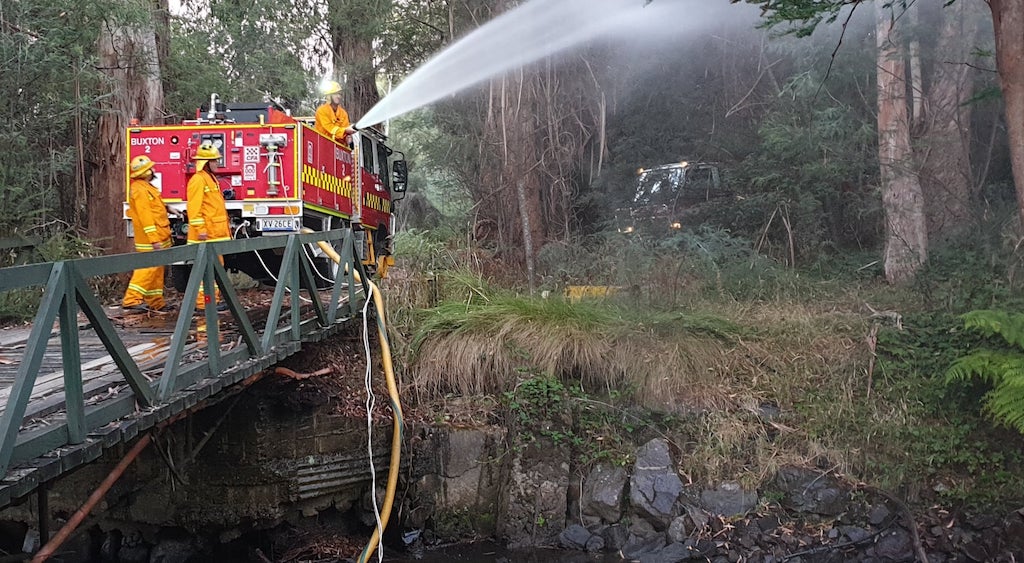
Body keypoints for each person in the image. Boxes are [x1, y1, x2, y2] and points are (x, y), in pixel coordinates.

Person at [122, 155, 176, 312]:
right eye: (151, 168)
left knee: (157, 270)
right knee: (147, 268)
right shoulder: (139, 190)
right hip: (150, 239)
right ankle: (131, 299)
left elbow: (155, 207)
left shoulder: (147, 187)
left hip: (159, 235)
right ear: (145, 172)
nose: (154, 170)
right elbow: (145, 216)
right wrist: (154, 239)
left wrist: (168, 208)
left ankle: (156, 302)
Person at [186, 141, 231, 311]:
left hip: (215, 235)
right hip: (206, 235)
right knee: (206, 271)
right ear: (206, 162)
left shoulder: (210, 179)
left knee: (213, 270)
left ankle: (211, 301)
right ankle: (203, 304)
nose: (217, 163)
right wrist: (201, 230)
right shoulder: (198, 180)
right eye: (214, 160)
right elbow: (194, 208)